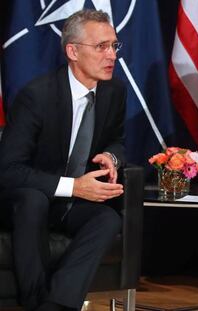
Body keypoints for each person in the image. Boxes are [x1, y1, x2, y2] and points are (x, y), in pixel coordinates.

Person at [0, 9, 126, 311]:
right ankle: (33, 301)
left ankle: (56, 304)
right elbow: (8, 171)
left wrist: (111, 157)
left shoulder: (114, 93)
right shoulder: (36, 96)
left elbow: (118, 140)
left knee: (107, 218)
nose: (111, 55)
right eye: (101, 47)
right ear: (72, 51)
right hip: (26, 199)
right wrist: (73, 187)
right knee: (34, 201)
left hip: (68, 204)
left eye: (114, 45)